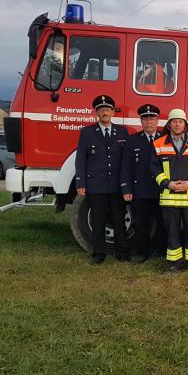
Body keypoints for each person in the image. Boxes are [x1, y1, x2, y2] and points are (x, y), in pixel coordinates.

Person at [74, 94, 129, 264]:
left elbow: (126, 161)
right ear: (96, 112)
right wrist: (80, 182)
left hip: (117, 185)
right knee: (98, 220)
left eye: (107, 109)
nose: (105, 112)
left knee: (119, 219)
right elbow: (81, 159)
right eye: (101, 110)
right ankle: (98, 253)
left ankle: (122, 253)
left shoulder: (122, 132)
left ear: (113, 112)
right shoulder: (87, 132)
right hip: (96, 184)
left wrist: (126, 185)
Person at [151, 109, 188, 273]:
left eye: (180, 122)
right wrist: (168, 184)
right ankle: (173, 263)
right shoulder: (158, 144)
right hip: (169, 198)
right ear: (169, 124)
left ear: (185, 125)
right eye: (174, 121)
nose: (177, 124)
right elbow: (154, 169)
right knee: (172, 232)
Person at [120, 104, 166, 263]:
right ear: (141, 121)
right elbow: (126, 166)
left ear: (157, 121)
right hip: (140, 190)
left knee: (163, 223)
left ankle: (161, 251)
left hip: (161, 190)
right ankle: (142, 252)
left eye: (152, 118)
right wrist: (126, 188)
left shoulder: (165, 140)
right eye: (145, 119)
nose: (149, 122)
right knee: (141, 224)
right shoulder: (132, 141)